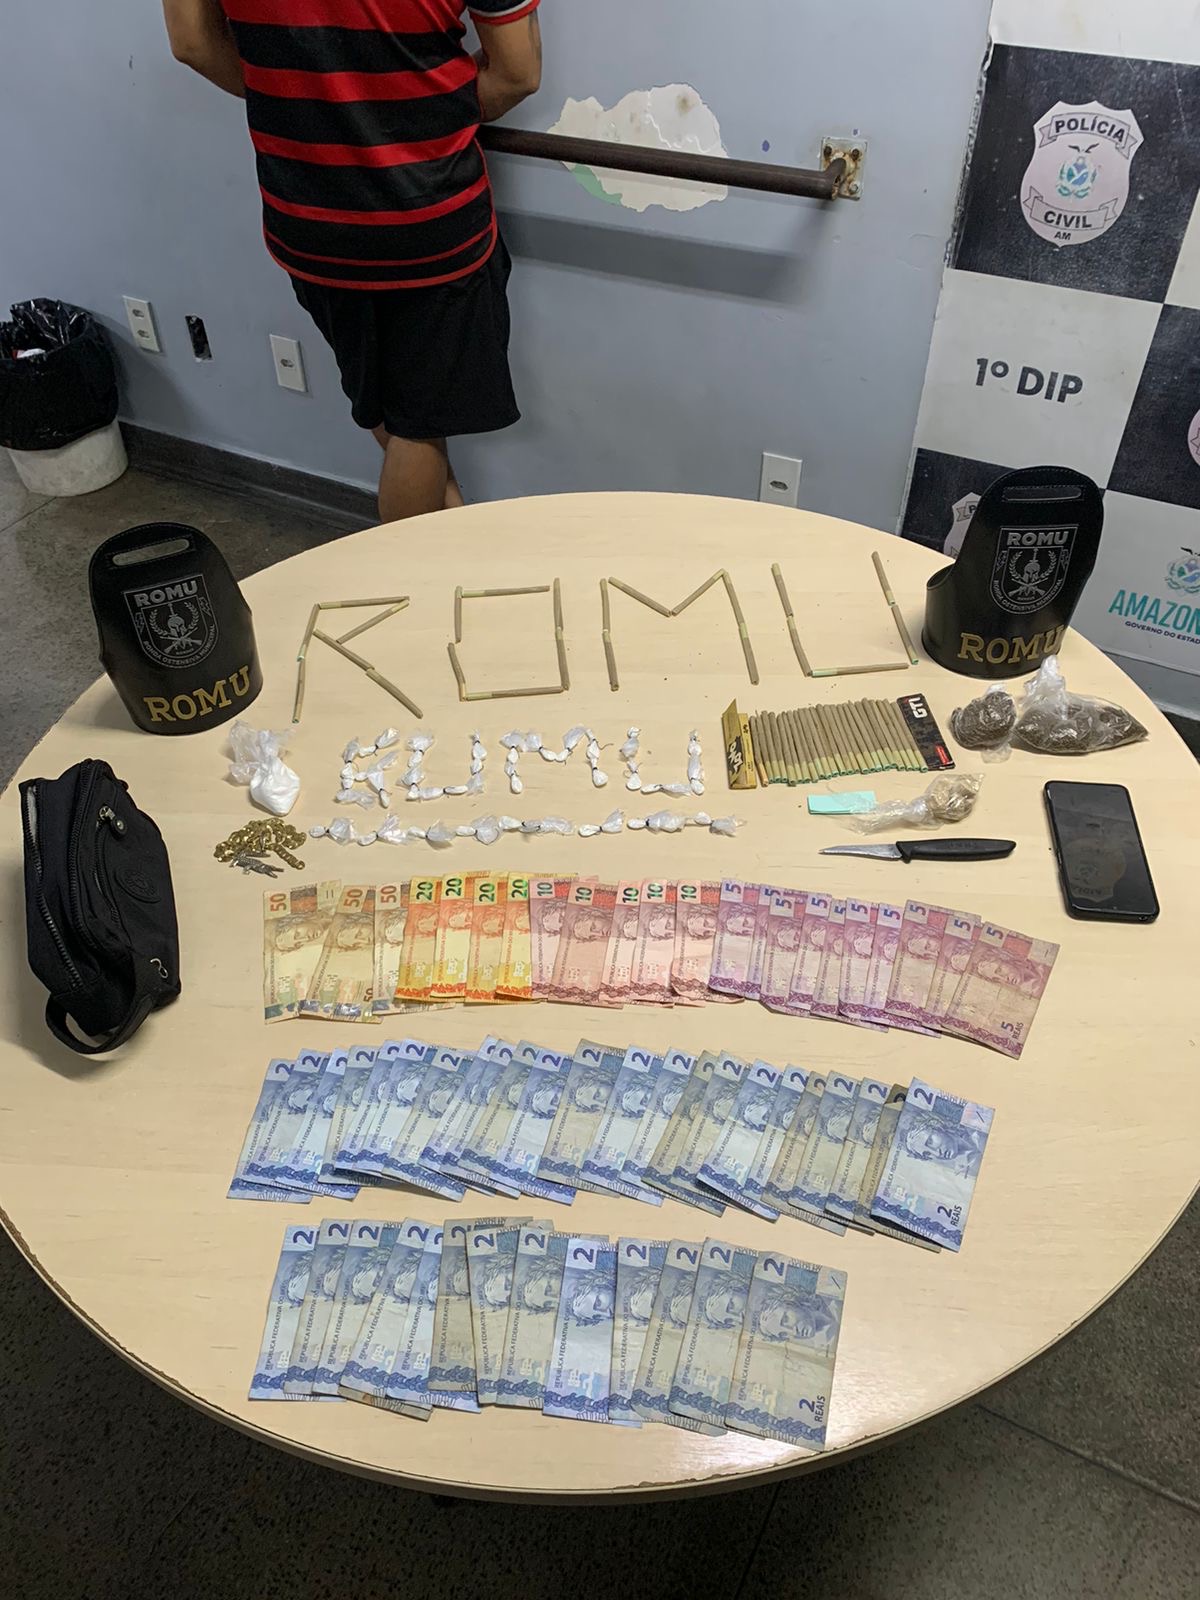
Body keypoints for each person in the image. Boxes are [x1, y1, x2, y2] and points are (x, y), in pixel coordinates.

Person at [162, 1, 542, 522]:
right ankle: (407, 571)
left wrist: (306, 102)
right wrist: (421, 107)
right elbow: (518, 73)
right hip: (427, 220)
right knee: (418, 430)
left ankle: (448, 542)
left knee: (397, 411)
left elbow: (193, 42)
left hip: (308, 214)